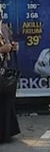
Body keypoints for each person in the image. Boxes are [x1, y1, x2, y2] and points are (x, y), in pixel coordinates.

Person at [0, 7, 20, 143]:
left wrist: (13, 47)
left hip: (3, 67)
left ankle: (7, 131)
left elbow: (9, 41)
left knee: (6, 99)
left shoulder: (4, 28)